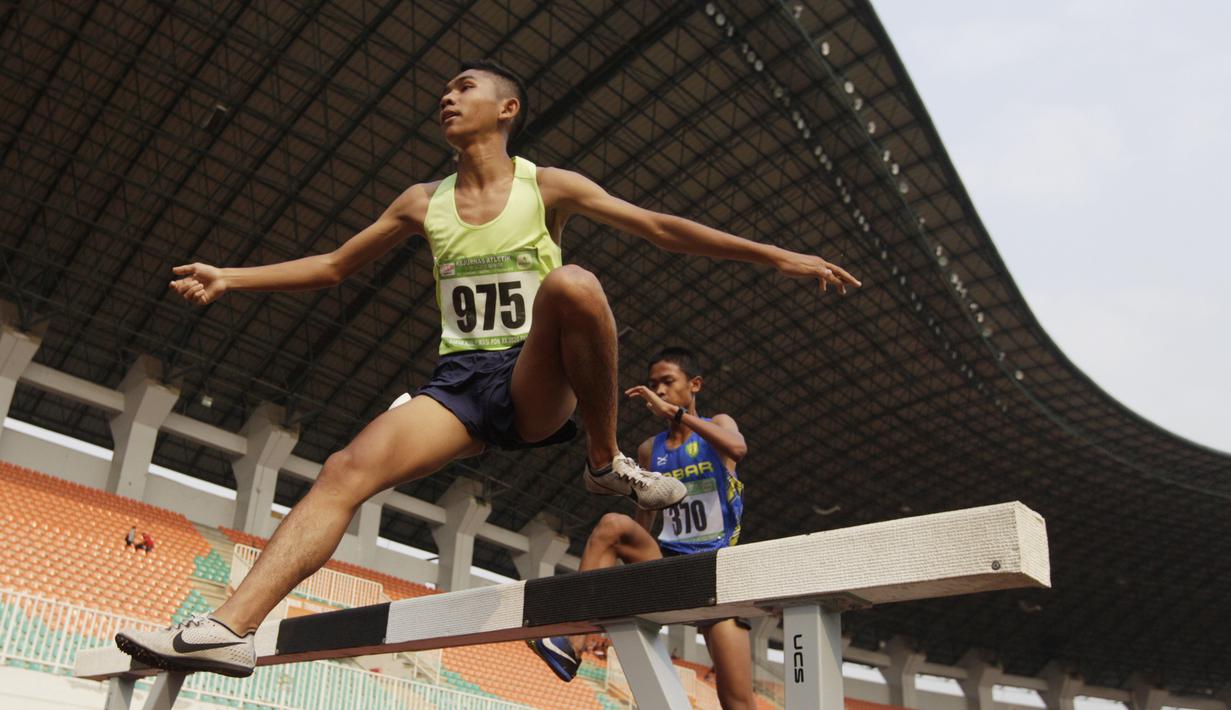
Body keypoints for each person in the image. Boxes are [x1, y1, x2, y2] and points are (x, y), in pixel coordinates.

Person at [115, 59, 859, 679]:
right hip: (458, 386)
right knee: (346, 467)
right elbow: (336, 266)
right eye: (444, 89)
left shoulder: (548, 187)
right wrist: (231, 277)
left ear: (506, 109)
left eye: (464, 86)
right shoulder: (421, 202)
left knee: (572, 285)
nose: (447, 95)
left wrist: (776, 255)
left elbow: (660, 227)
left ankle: (603, 460)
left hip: (533, 377)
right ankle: (229, 628)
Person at [529, 347, 754, 709]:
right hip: (669, 564)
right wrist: (624, 594)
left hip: (718, 572)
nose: (659, 391)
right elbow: (645, 516)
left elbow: (738, 449)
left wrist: (678, 415)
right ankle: (576, 639)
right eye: (654, 385)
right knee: (612, 526)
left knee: (737, 700)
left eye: (668, 382)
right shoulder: (651, 450)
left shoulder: (719, 426)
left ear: (694, 385)